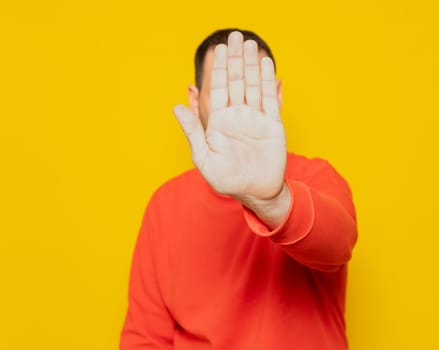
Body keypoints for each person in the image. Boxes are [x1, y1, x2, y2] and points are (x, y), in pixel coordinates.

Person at [120, 28, 358, 350]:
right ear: (195, 100)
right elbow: (145, 339)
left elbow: (337, 244)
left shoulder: (316, 176)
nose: (238, 105)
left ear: (276, 94)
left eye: (251, 88)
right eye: (223, 90)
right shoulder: (165, 204)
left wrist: (272, 201)